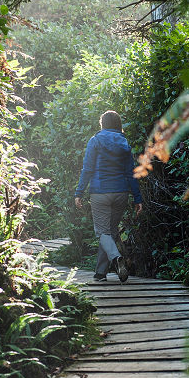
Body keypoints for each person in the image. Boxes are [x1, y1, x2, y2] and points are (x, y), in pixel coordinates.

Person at [74, 110, 142, 283]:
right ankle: (100, 273)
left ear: (102, 124)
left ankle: (117, 258)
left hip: (100, 192)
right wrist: (137, 198)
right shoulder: (124, 143)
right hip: (121, 193)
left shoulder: (95, 141)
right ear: (118, 125)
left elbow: (87, 169)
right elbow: (130, 172)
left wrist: (79, 192)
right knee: (110, 232)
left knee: (102, 232)